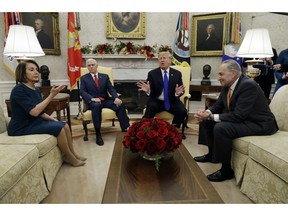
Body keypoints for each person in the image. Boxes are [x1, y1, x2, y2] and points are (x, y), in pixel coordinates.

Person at [194, 59, 278, 182]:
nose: (218, 77)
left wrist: (211, 116)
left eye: (221, 74)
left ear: (232, 74)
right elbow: (218, 105)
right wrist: (206, 113)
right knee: (206, 121)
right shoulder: (227, 85)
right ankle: (211, 154)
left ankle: (226, 170)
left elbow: (238, 115)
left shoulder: (248, 85)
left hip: (259, 124)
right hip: (245, 119)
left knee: (221, 128)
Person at [7, 60, 86, 167]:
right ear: (23, 73)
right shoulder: (19, 90)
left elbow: (41, 113)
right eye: (31, 70)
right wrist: (51, 95)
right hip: (21, 127)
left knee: (65, 125)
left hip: (34, 122)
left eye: (36, 70)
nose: (36, 72)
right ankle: (69, 157)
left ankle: (73, 154)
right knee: (58, 128)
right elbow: (35, 112)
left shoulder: (36, 90)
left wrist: (54, 120)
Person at [80, 58, 130, 146]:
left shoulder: (105, 76)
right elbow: (82, 91)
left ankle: (125, 129)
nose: (91, 67)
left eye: (93, 65)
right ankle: (98, 133)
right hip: (93, 102)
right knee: (96, 106)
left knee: (120, 104)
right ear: (87, 67)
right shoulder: (84, 78)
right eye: (89, 65)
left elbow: (111, 89)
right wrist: (92, 99)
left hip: (105, 100)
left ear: (97, 65)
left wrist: (116, 98)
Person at [137, 51, 187, 129]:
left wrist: (177, 93)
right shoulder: (152, 74)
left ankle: (173, 130)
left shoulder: (177, 74)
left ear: (170, 60)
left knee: (182, 111)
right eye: (160, 58)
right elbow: (150, 90)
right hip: (157, 101)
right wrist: (148, 91)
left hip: (172, 101)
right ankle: (145, 130)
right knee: (150, 108)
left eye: (164, 58)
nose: (162, 60)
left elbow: (181, 89)